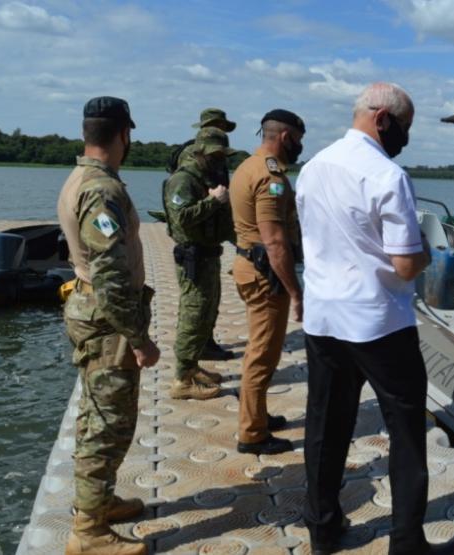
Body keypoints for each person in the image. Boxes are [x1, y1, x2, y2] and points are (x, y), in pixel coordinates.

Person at [296, 83, 454, 555]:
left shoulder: (312, 167)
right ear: (383, 119)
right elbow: (406, 265)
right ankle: (407, 544)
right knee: (405, 433)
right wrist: (427, 252)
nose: (405, 138)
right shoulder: (388, 175)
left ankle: (323, 530)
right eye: (404, 128)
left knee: (325, 425)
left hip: (324, 318)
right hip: (378, 322)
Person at [56, 96, 160, 555]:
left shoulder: (81, 178)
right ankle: (89, 532)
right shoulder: (101, 190)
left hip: (93, 314)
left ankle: (96, 502)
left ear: (86, 133)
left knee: (96, 415)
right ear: (124, 134)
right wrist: (139, 338)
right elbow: (111, 276)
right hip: (107, 323)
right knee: (107, 424)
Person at [229, 109, 305, 455]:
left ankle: (256, 415)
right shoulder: (269, 177)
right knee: (263, 354)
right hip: (265, 275)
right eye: (298, 141)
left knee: (258, 349)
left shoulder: (248, 166)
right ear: (286, 137)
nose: (299, 147)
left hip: (249, 266)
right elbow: (274, 241)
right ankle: (252, 434)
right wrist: (295, 292)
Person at [164, 127, 237, 400]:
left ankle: (192, 366)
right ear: (200, 152)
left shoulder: (207, 176)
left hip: (209, 255)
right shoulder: (183, 180)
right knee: (193, 316)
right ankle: (181, 379)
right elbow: (182, 218)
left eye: (222, 156)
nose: (220, 161)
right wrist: (213, 201)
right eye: (215, 156)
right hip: (193, 257)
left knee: (207, 312)